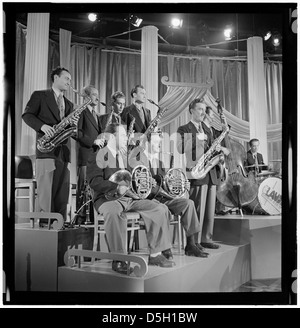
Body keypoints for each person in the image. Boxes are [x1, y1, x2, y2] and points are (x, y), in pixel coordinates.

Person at [86, 123, 176, 275]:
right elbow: (94, 182)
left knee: (159, 208)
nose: (126, 137)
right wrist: (115, 188)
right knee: (114, 212)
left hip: (129, 197)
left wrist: (144, 182)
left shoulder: (125, 156)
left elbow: (132, 177)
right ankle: (119, 259)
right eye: (122, 135)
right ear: (112, 137)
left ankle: (155, 255)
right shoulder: (98, 154)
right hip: (107, 199)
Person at [129, 132, 209, 258]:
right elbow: (136, 183)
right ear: (147, 143)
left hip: (163, 198)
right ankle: (165, 247)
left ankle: (191, 244)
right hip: (149, 200)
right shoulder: (138, 161)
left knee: (189, 203)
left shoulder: (160, 162)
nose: (159, 144)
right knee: (163, 209)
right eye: (156, 142)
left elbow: (167, 183)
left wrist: (182, 186)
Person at [22, 66, 75, 220]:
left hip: (63, 152)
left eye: (70, 80)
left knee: (61, 191)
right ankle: (46, 223)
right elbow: (27, 115)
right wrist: (42, 126)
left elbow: (70, 129)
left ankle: (60, 222)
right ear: (56, 78)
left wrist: (73, 124)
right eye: (66, 78)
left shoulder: (69, 104)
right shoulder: (39, 95)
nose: (69, 82)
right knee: (46, 191)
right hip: (46, 150)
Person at [177, 99, 229, 251]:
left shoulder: (207, 129)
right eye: (199, 109)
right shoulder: (184, 129)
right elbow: (180, 148)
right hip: (196, 172)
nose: (203, 112)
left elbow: (212, 147)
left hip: (210, 172)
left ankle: (206, 238)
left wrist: (220, 150)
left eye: (204, 109)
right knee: (198, 209)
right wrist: (196, 139)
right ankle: (194, 242)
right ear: (191, 110)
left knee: (209, 211)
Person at [76, 85, 104, 221]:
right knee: (83, 188)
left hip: (95, 157)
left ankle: (92, 218)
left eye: (97, 94)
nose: (97, 97)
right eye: (94, 94)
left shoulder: (96, 114)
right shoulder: (81, 112)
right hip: (86, 155)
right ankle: (80, 219)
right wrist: (93, 141)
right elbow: (77, 133)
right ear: (86, 97)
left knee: (92, 188)